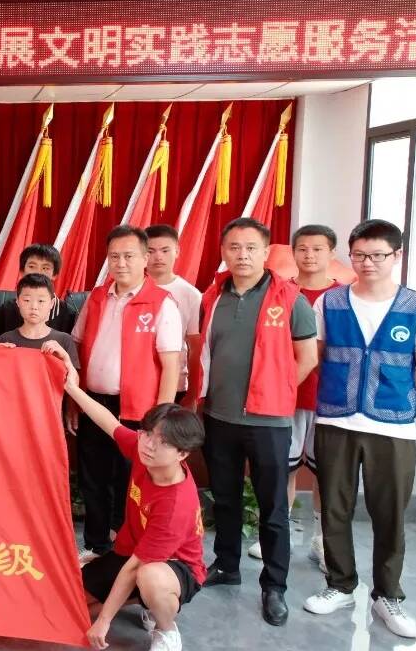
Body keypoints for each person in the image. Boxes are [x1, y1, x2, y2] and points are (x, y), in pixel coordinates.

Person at [197, 217, 318, 627]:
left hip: (270, 422)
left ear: (266, 252)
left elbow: (307, 358)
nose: (242, 255)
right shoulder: (213, 296)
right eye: (234, 247)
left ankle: (274, 586)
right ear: (224, 252)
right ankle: (226, 564)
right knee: (225, 497)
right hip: (219, 415)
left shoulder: (291, 299)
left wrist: (276, 393)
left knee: (272, 506)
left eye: (251, 247)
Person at [47, 343, 205, 651]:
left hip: (174, 566)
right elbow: (110, 423)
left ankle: (165, 626)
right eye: (148, 434)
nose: (149, 444)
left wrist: (104, 621)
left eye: (163, 442)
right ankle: (138, 598)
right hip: (130, 553)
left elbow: (135, 566)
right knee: (71, 601)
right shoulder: (144, 452)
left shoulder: (175, 504)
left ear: (182, 454)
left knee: (149, 578)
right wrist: (73, 388)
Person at [303, 220, 416, 638]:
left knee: (389, 513)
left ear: (396, 256)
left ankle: (388, 595)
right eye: (359, 255)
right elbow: (315, 356)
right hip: (336, 417)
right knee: (335, 506)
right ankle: (340, 584)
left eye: (377, 255)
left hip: (394, 423)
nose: (368, 263)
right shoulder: (330, 302)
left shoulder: (415, 305)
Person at [71, 226, 183, 566]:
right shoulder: (96, 298)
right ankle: (96, 545)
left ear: (145, 258)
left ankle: (125, 548)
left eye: (129, 256)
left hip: (138, 410)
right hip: (94, 403)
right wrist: (75, 402)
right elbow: (78, 346)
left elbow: (171, 365)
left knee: (128, 482)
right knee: (93, 477)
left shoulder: (162, 303)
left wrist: (161, 419)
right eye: (114, 256)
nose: (120, 263)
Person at [247, 224, 339, 567]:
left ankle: (322, 540)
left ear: (331, 253)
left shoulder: (341, 297)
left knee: (326, 474)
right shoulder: (277, 292)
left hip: (330, 401)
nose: (309, 255)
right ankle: (276, 536)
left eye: (317, 249)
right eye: (302, 248)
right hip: (283, 401)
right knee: (280, 470)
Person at [144, 225, 202, 405]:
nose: (158, 257)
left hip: (175, 385)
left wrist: (192, 394)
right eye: (151, 251)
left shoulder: (191, 294)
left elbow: (195, 348)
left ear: (177, 251)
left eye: (165, 250)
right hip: (135, 383)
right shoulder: (130, 288)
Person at [0, 244, 77, 337]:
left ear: (55, 275)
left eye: (45, 268)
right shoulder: (7, 309)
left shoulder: (68, 314)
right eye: (32, 266)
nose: (38, 272)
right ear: (22, 271)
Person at [0, 273, 80, 365]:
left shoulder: (64, 340)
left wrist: (65, 358)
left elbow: (74, 374)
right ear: (17, 301)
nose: (34, 307)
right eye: (27, 300)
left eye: (41, 301)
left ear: (52, 303)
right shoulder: (6, 339)